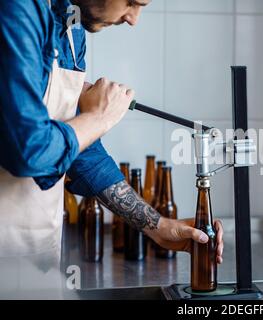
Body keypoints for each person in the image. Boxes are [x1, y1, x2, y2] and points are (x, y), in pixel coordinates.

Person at [0, 0, 223, 297]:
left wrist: (158, 227)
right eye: (132, 2)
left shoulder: (72, 29)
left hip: (32, 266)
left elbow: (82, 149)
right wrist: (98, 118)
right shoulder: (16, 9)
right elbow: (28, 149)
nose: (133, 19)